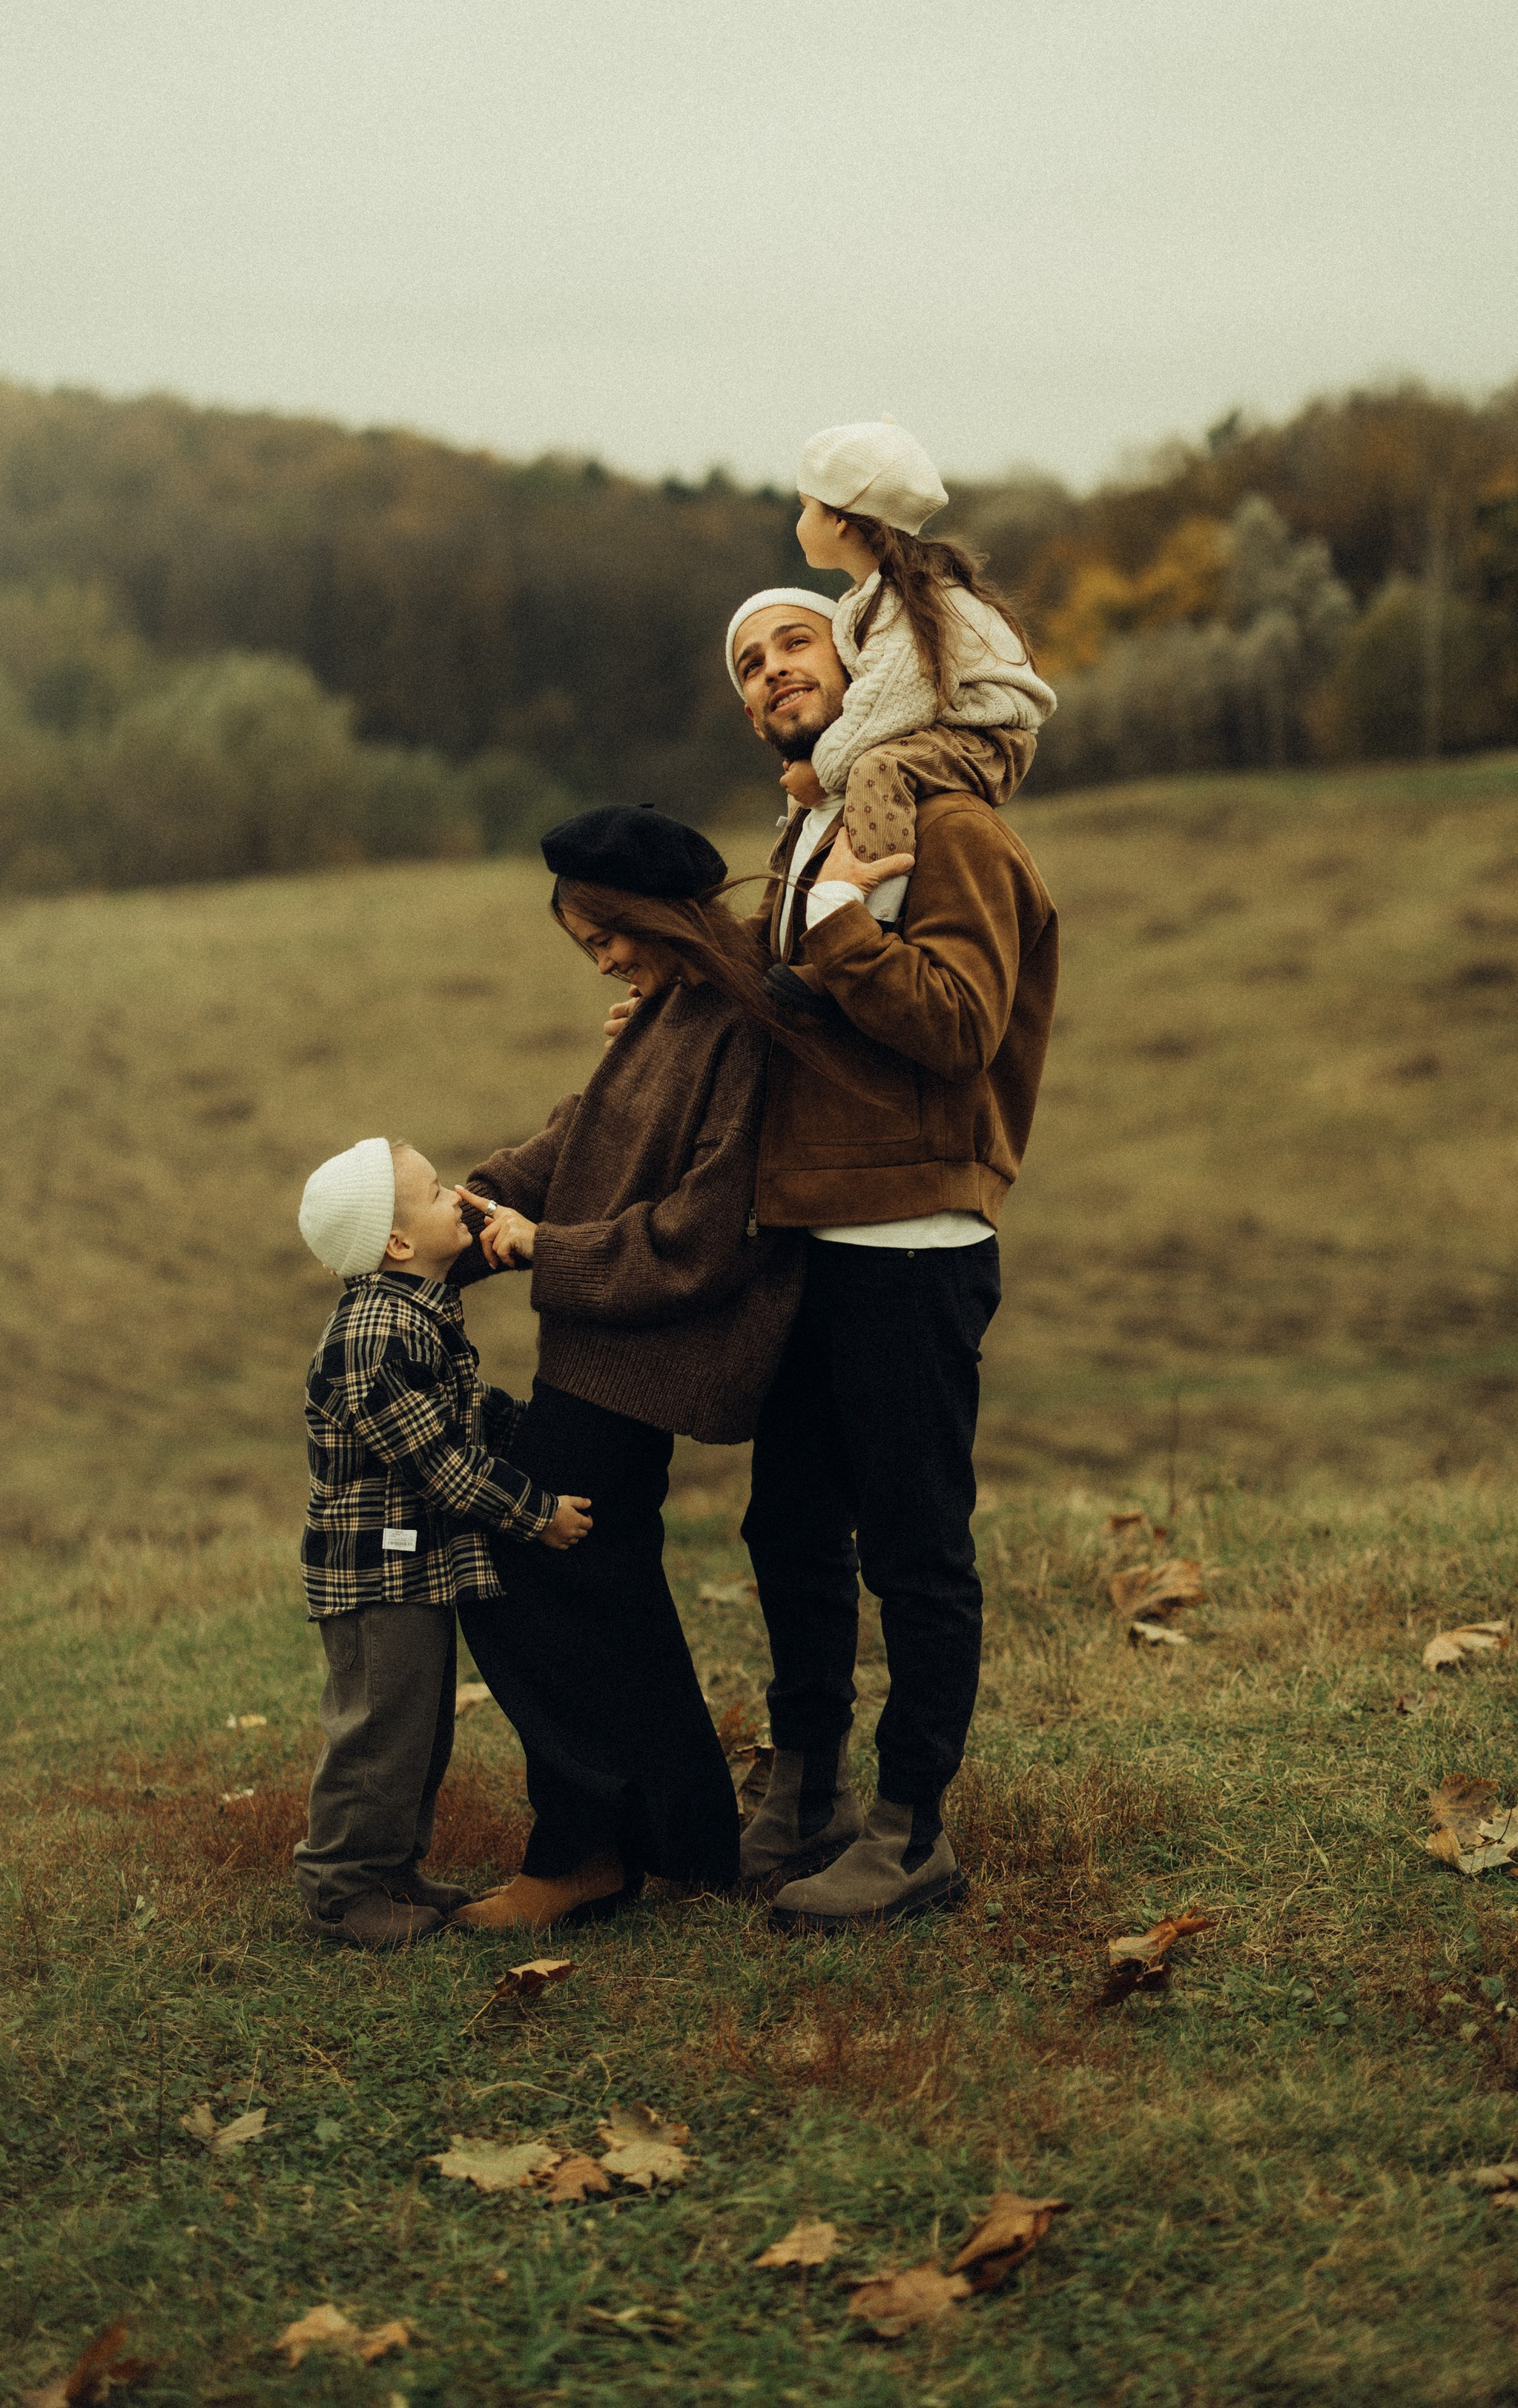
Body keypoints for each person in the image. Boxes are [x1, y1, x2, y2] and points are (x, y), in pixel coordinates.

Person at [723, 536, 1058, 1931]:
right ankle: (808, 1790)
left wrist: (847, 927)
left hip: (912, 1236)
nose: (768, 676)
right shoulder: (809, 837)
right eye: (746, 668)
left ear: (861, 659)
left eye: (792, 644)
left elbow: (963, 1024)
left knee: (916, 1545)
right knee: (788, 1524)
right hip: (807, 1232)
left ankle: (915, 1827)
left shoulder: (950, 824)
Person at [446, 804, 805, 1936]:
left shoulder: (743, 1023)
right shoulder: (671, 1009)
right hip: (601, 1352)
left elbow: (702, 1235)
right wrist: (452, 1214)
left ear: (658, 911)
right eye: (587, 946)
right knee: (610, 1589)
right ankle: (685, 1839)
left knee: (513, 1562)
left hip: (643, 1356)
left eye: (607, 935)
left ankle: (585, 1851)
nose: (602, 960)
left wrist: (541, 1248)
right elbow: (579, 1140)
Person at [291, 1134, 593, 1950]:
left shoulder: (414, 1314)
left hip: (410, 1568)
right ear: (395, 1243)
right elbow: (441, 1466)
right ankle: (340, 1890)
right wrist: (538, 1512)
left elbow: (460, 1408)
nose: (457, 1196)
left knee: (418, 1731)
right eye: (432, 1194)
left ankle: (392, 1870)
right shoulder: (375, 1334)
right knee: (377, 1734)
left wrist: (526, 1426)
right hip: (375, 1575)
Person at [782, 420, 1056, 920]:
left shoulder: (909, 607)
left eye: (806, 507)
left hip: (990, 738)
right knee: (865, 765)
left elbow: (879, 713)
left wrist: (819, 771)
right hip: (950, 731)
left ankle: (863, 920)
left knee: (876, 767)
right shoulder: (869, 599)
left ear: (841, 520)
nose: (799, 521)